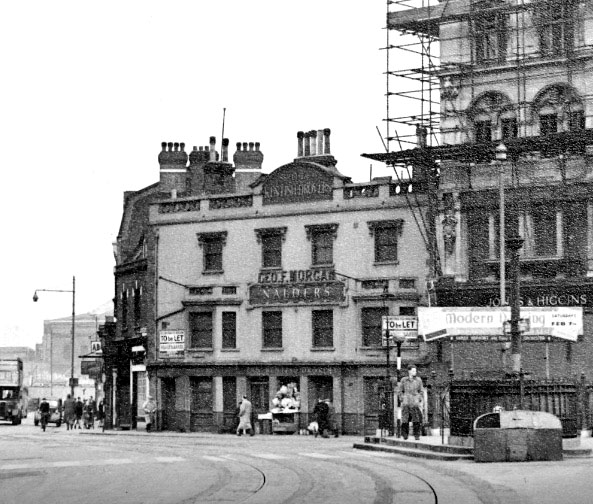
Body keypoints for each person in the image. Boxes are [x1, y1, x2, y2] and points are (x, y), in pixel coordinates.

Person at [397, 364, 424, 440]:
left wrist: (418, 398)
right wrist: (402, 398)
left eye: (415, 370)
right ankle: (405, 435)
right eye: (413, 371)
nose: (415, 372)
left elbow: (421, 391)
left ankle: (417, 435)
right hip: (406, 402)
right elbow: (400, 391)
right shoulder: (403, 380)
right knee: (405, 419)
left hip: (415, 402)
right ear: (409, 371)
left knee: (416, 419)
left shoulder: (418, 380)